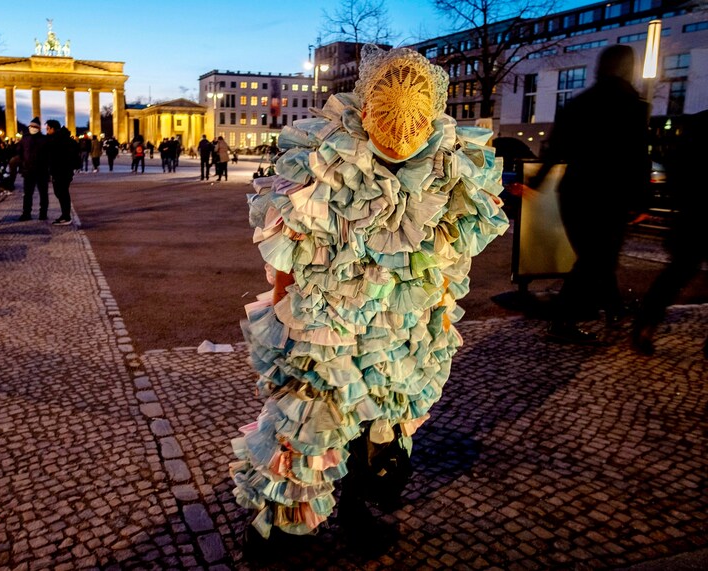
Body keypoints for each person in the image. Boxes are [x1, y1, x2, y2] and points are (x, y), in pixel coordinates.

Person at [231, 45, 508, 557]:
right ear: (367, 109)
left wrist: (437, 320)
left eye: (411, 127)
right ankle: (287, 528)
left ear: (429, 118)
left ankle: (350, 508)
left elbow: (451, 252)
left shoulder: (450, 166)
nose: (398, 140)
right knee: (313, 418)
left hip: (399, 324)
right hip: (329, 319)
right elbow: (289, 240)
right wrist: (281, 313)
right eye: (386, 123)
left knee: (374, 420)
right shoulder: (327, 155)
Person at [528, 45, 649, 344]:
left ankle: (614, 308)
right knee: (596, 259)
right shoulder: (631, 104)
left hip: (573, 194)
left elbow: (555, 148)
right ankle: (562, 321)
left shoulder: (579, 102)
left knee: (596, 257)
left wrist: (538, 183)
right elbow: (637, 156)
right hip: (609, 197)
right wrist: (641, 200)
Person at [633, 110, 708, 357]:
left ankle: (645, 324)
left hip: (692, 216)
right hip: (695, 214)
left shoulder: (692, 133)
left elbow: (674, 170)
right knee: (676, 275)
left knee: (675, 276)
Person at [45, 119, 78, 225]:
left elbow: (56, 156)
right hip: (64, 171)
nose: (46, 131)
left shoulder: (57, 140)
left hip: (61, 171)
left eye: (48, 129)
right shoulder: (62, 138)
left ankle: (66, 217)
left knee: (61, 192)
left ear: (52, 128)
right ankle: (65, 215)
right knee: (61, 192)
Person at [18, 117, 50, 221]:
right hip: (28, 171)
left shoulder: (45, 139)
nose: (33, 128)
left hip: (42, 171)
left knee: (43, 194)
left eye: (35, 127)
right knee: (27, 194)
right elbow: (19, 152)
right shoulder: (25, 138)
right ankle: (26, 213)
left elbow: (49, 155)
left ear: (39, 128)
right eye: (31, 126)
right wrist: (23, 164)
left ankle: (43, 213)